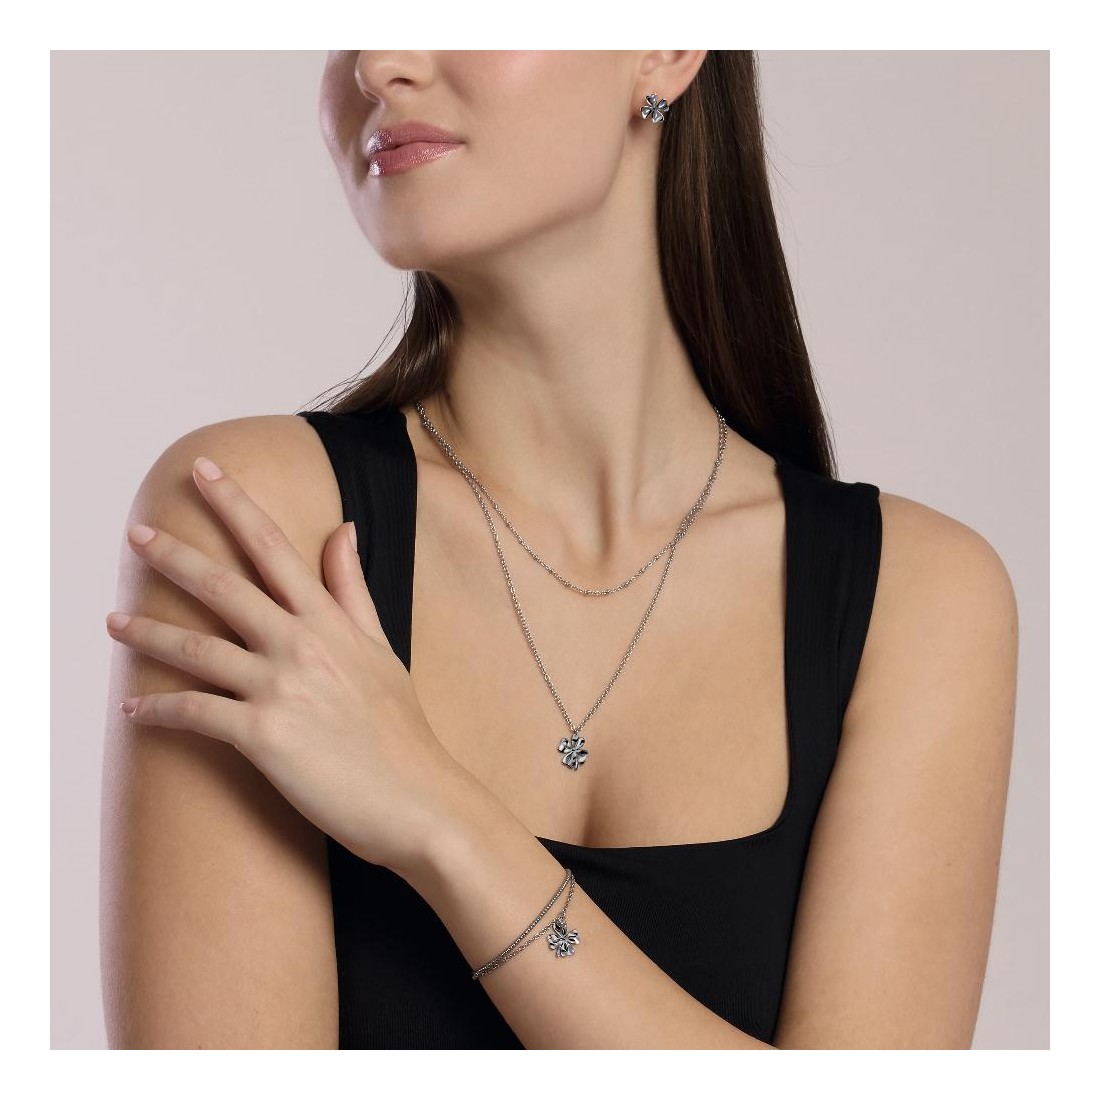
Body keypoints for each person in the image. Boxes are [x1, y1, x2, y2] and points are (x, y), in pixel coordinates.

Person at [99, 50, 1018, 1049]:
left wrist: (441, 820)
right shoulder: (252, 522)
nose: (378, 62)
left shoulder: (914, 601)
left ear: (664, 48)